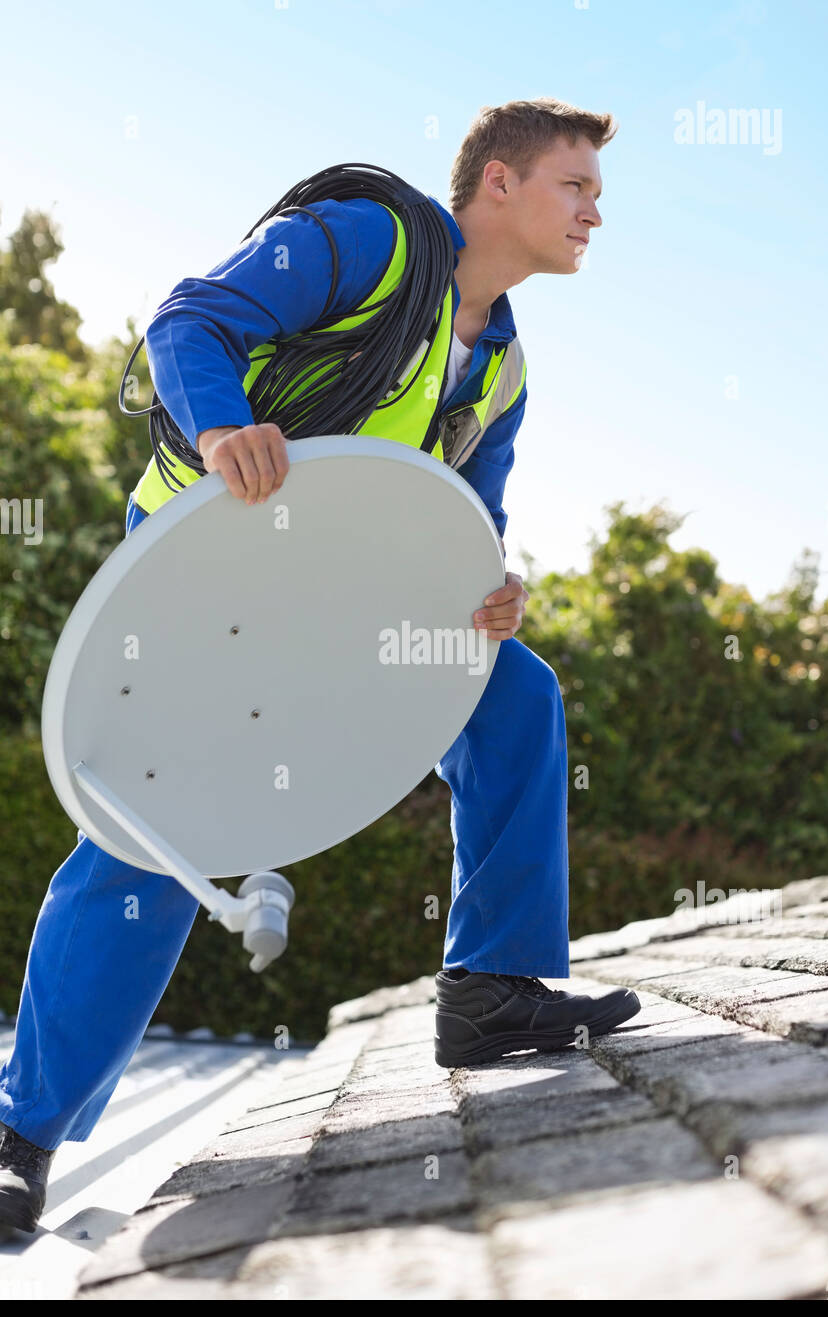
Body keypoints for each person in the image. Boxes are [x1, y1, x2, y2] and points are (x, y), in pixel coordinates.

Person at [0, 97, 640, 1237]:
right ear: (497, 183)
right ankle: (21, 1137)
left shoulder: (499, 367)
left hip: (339, 603)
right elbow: (189, 319)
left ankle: (491, 990)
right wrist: (220, 429)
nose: (596, 210)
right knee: (151, 836)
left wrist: (488, 596)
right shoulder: (370, 236)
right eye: (574, 186)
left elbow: (464, 525)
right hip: (203, 571)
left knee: (514, 692)